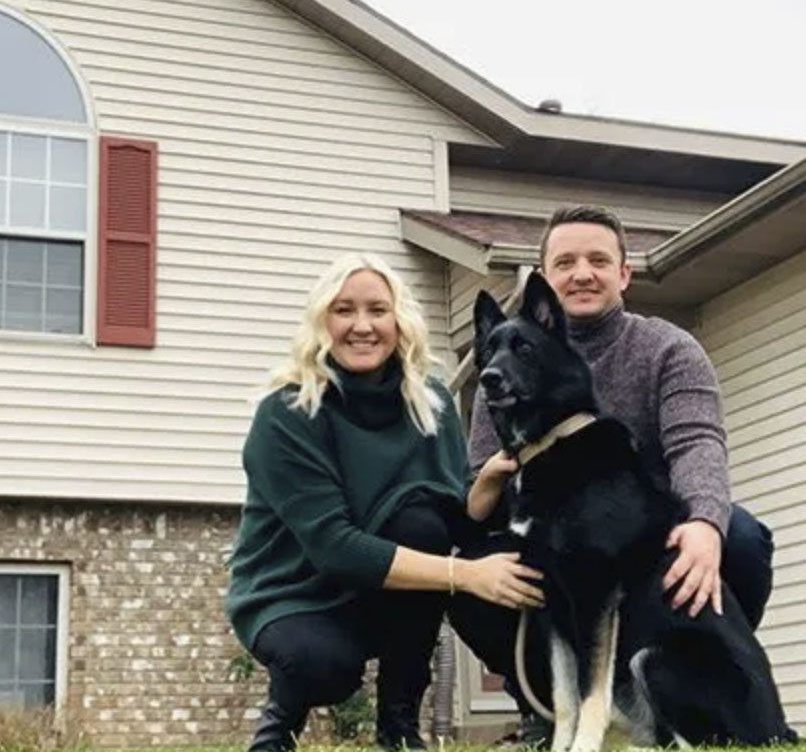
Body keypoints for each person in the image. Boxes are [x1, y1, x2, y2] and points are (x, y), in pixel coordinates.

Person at [468, 204, 776, 745]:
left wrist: (705, 522)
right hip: (552, 523)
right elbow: (483, 475)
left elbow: (697, 442)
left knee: (741, 537)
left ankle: (708, 682)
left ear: (624, 273)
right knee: (477, 568)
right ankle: (544, 706)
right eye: (565, 263)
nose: (582, 273)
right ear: (545, 279)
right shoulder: (503, 362)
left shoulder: (667, 348)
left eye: (598, 260)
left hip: (650, 534)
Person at [226, 252, 545, 752]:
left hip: (383, 591)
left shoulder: (429, 402)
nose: (362, 326)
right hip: (294, 589)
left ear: (400, 321)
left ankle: (400, 728)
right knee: (322, 665)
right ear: (322, 322)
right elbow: (334, 547)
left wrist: (485, 483)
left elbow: (450, 523)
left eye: (377, 310)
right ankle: (276, 733)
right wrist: (464, 574)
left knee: (425, 527)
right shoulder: (287, 413)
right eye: (344, 310)